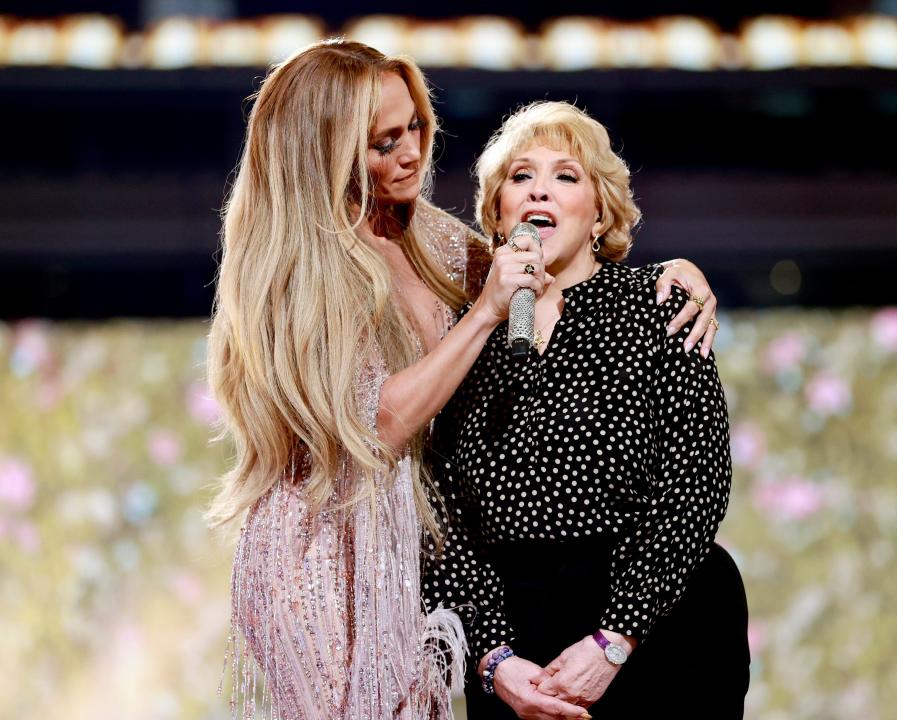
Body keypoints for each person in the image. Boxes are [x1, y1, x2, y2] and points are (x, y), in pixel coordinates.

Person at [206, 39, 722, 720]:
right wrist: (484, 314)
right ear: (323, 150)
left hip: (412, 541)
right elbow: (379, 427)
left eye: (415, 125)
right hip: (330, 548)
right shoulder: (296, 269)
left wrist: (677, 270)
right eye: (382, 142)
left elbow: (552, 250)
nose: (412, 154)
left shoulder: (431, 237)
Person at [422, 101, 749, 720]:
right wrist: (493, 660)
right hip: (520, 653)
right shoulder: (465, 333)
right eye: (520, 177)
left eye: (565, 176)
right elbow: (441, 508)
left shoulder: (657, 304)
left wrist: (616, 639)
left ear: (599, 211)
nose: (539, 189)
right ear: (498, 212)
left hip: (656, 629)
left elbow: (697, 485)